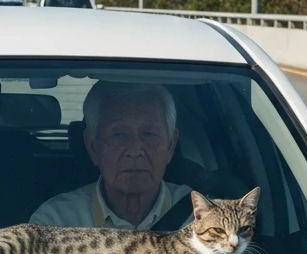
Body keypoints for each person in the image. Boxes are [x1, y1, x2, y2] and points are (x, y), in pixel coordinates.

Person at [30, 81, 192, 230]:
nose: (135, 151)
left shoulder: (202, 217)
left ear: (171, 145)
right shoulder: (56, 222)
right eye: (119, 134)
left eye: (148, 133)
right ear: (93, 147)